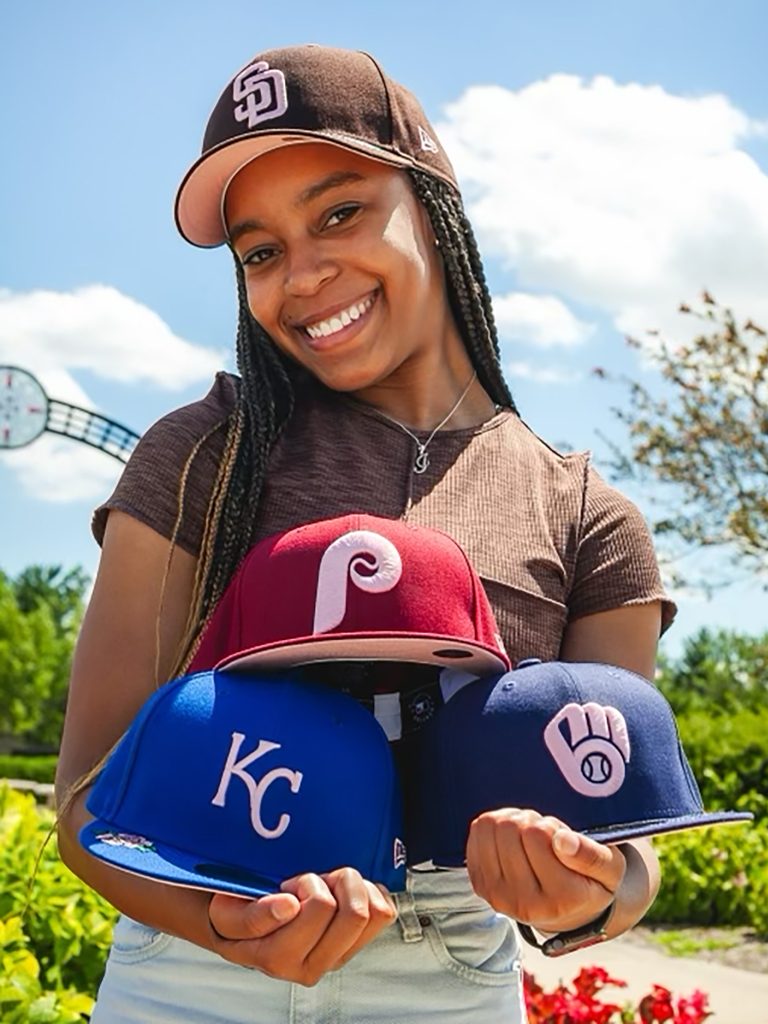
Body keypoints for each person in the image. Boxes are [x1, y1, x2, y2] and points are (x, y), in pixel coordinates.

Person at [56, 44, 676, 1023]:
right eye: (259, 251)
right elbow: (88, 801)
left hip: (448, 979)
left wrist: (587, 889)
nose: (301, 275)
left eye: (340, 211)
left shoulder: (588, 517)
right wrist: (225, 924)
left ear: (432, 205)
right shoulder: (198, 455)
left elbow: (631, 835)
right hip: (191, 976)